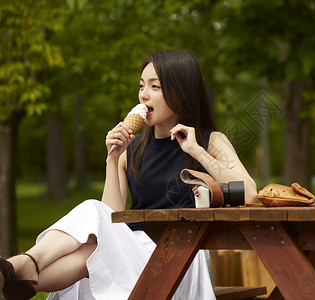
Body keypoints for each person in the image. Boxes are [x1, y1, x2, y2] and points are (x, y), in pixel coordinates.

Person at [0, 49, 257, 300]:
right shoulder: (131, 149)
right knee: (92, 250)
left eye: (155, 87)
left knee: (91, 242)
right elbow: (106, 221)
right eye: (141, 85)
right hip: (130, 251)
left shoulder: (209, 142)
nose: (144, 95)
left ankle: (22, 266)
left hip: (179, 256)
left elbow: (249, 192)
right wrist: (112, 158)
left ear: (180, 94)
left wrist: (197, 152)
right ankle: (19, 275)